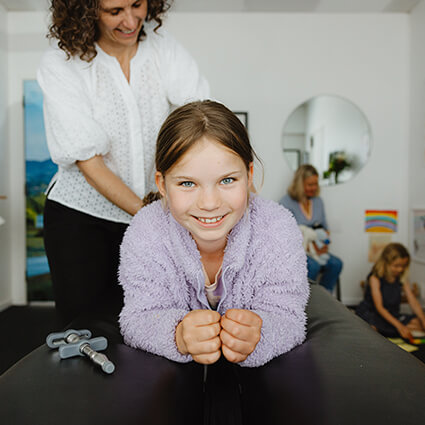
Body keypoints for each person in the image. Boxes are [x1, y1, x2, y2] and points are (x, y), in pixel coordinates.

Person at [37, 0, 210, 326]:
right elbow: (90, 162)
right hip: (82, 218)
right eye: (114, 11)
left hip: (154, 212)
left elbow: (199, 120)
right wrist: (154, 217)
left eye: (137, 4)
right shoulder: (61, 64)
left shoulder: (164, 50)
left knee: (155, 320)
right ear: (86, 11)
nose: (131, 20)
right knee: (86, 326)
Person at [119, 100, 309, 367]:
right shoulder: (146, 232)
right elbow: (138, 318)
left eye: (227, 180)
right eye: (187, 183)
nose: (209, 203)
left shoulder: (277, 227)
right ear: (162, 185)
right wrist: (177, 335)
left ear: (249, 175)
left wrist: (260, 334)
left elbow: (290, 318)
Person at [279, 164, 343, 292]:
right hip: (298, 250)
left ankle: (325, 298)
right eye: (310, 184)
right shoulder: (286, 202)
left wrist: (324, 245)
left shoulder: (318, 201)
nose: (314, 188)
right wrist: (307, 247)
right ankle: (308, 301)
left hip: (317, 248)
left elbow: (325, 229)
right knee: (313, 266)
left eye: (316, 184)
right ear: (300, 184)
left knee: (336, 264)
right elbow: (283, 234)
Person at [356, 243, 425, 339]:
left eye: (403, 266)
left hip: (392, 314)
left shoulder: (401, 276)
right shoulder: (375, 277)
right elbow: (379, 307)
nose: (400, 269)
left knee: (418, 323)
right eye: (396, 266)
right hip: (373, 313)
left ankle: (393, 330)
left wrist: (423, 319)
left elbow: (413, 301)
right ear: (386, 263)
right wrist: (399, 326)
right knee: (373, 330)